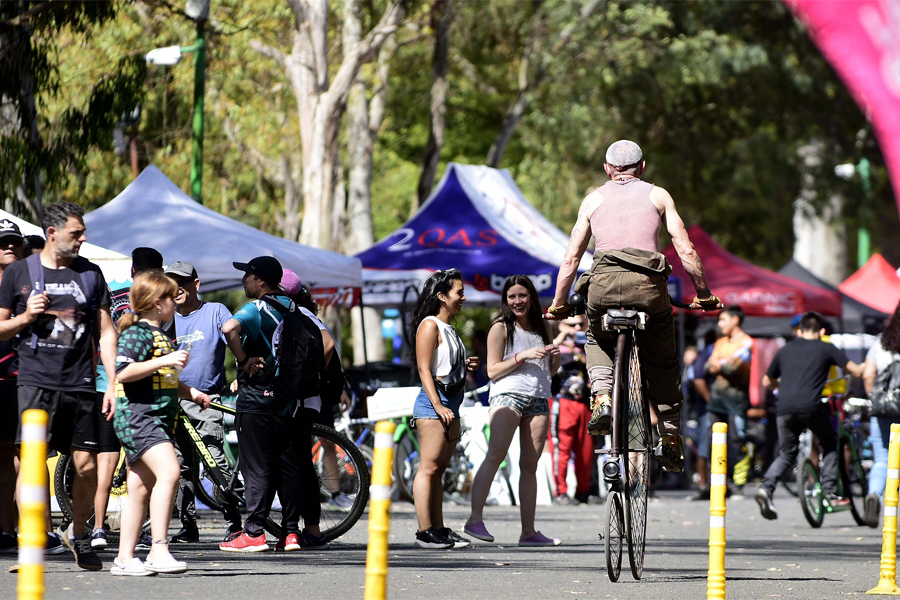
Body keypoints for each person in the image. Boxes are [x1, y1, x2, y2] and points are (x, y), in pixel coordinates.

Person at [546, 140, 720, 472]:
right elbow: (685, 248)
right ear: (642, 167)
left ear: (607, 169)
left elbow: (570, 258)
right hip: (648, 289)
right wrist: (705, 294)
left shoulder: (593, 199)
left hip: (603, 288)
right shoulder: (659, 195)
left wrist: (558, 304)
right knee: (664, 359)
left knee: (596, 336)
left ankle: (602, 397)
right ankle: (669, 435)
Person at [0, 203, 117, 570]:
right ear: (52, 232)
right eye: (76, 233)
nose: (83, 239)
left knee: (85, 467)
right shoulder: (20, 272)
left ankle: (78, 534)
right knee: (32, 465)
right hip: (35, 382)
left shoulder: (91, 274)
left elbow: (107, 331)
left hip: (81, 384)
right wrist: (26, 316)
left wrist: (113, 383)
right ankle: (31, 547)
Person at [218, 257, 327, 552]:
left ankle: (253, 532)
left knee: (258, 468)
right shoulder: (294, 308)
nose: (244, 281)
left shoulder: (256, 309)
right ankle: (291, 533)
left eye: (248, 276)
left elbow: (229, 329)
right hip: (290, 401)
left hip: (256, 400)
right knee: (289, 466)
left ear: (261, 281)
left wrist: (242, 360)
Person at [111, 271, 211, 576]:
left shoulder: (162, 336)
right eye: (171, 296)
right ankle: (158, 549)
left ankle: (124, 558)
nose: (176, 299)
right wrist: (165, 361)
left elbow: (165, 378)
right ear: (157, 303)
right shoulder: (137, 334)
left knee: (140, 490)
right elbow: (124, 372)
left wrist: (191, 392)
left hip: (157, 421)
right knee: (170, 472)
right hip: (141, 419)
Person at [464, 275, 562, 545]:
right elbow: (492, 370)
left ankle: (528, 532)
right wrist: (521, 356)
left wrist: (555, 358)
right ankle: (474, 520)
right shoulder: (501, 326)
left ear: (531, 296)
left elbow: (549, 371)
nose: (517, 301)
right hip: (508, 395)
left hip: (539, 397)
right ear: (505, 300)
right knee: (496, 454)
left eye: (522, 295)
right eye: (512, 297)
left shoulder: (543, 326)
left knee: (530, 465)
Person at [754, 312, 864, 520]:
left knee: (787, 452)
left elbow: (767, 382)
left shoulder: (785, 349)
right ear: (821, 331)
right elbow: (855, 371)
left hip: (784, 408)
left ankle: (766, 488)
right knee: (830, 443)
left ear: (800, 330)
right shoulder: (826, 347)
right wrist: (866, 367)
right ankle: (830, 492)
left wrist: (784, 387)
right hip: (811, 406)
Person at [90, 247, 164, 551]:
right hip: (136, 392)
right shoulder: (156, 303)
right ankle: (139, 533)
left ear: (132, 269)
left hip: (105, 383)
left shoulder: (113, 292)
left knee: (106, 462)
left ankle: (98, 528)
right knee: (142, 465)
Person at [165, 261, 244, 543]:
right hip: (173, 400)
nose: (177, 289)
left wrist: (242, 366)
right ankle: (189, 527)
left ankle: (235, 523)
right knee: (182, 466)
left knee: (214, 460)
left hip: (206, 401)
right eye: (171, 283)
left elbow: (235, 337)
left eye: (182, 283)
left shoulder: (215, 311)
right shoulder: (166, 317)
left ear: (195, 285)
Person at [409, 269, 479, 549]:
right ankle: (424, 532)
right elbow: (424, 369)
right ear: (442, 296)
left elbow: (444, 366)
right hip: (433, 405)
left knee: (438, 470)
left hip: (451, 403)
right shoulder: (430, 325)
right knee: (427, 468)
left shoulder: (449, 328)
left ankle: (438, 528)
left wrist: (467, 363)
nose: (463, 297)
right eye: (459, 292)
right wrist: (437, 405)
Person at [280, 269, 353, 514]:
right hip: (316, 391)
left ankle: (333, 493)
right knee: (316, 445)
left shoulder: (299, 315)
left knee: (314, 445)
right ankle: (329, 496)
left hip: (312, 392)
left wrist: (304, 373)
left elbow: (329, 345)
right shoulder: (302, 315)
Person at [549, 314, 596, 505]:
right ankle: (561, 492)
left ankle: (584, 491)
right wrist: (561, 337)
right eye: (571, 324)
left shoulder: (587, 347)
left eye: (580, 324)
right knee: (562, 448)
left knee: (586, 450)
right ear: (561, 325)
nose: (576, 327)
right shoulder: (556, 347)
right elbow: (546, 359)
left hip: (584, 403)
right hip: (563, 403)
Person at [706, 306, 752, 487]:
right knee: (714, 441)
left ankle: (739, 483)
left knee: (736, 439)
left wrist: (719, 364)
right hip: (716, 400)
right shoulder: (721, 342)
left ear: (735, 320)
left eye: (722, 320)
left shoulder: (747, 342)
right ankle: (720, 482)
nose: (720, 324)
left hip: (736, 401)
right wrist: (722, 364)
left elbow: (732, 368)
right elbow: (707, 368)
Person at [862, 301, 900, 526]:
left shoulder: (881, 342)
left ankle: (874, 493)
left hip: (883, 408)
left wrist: (873, 398)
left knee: (882, 457)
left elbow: (868, 374)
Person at [0, 220, 23, 553]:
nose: (9, 247)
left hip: (21, 380)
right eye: (3, 242)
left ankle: (11, 530)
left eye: (14, 242)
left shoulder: (30, 285)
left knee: (18, 457)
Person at [690, 330, 717, 500]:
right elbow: (698, 379)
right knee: (705, 447)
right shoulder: (705, 354)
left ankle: (720, 483)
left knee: (719, 445)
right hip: (708, 409)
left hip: (720, 406)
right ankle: (703, 485)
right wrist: (710, 400)